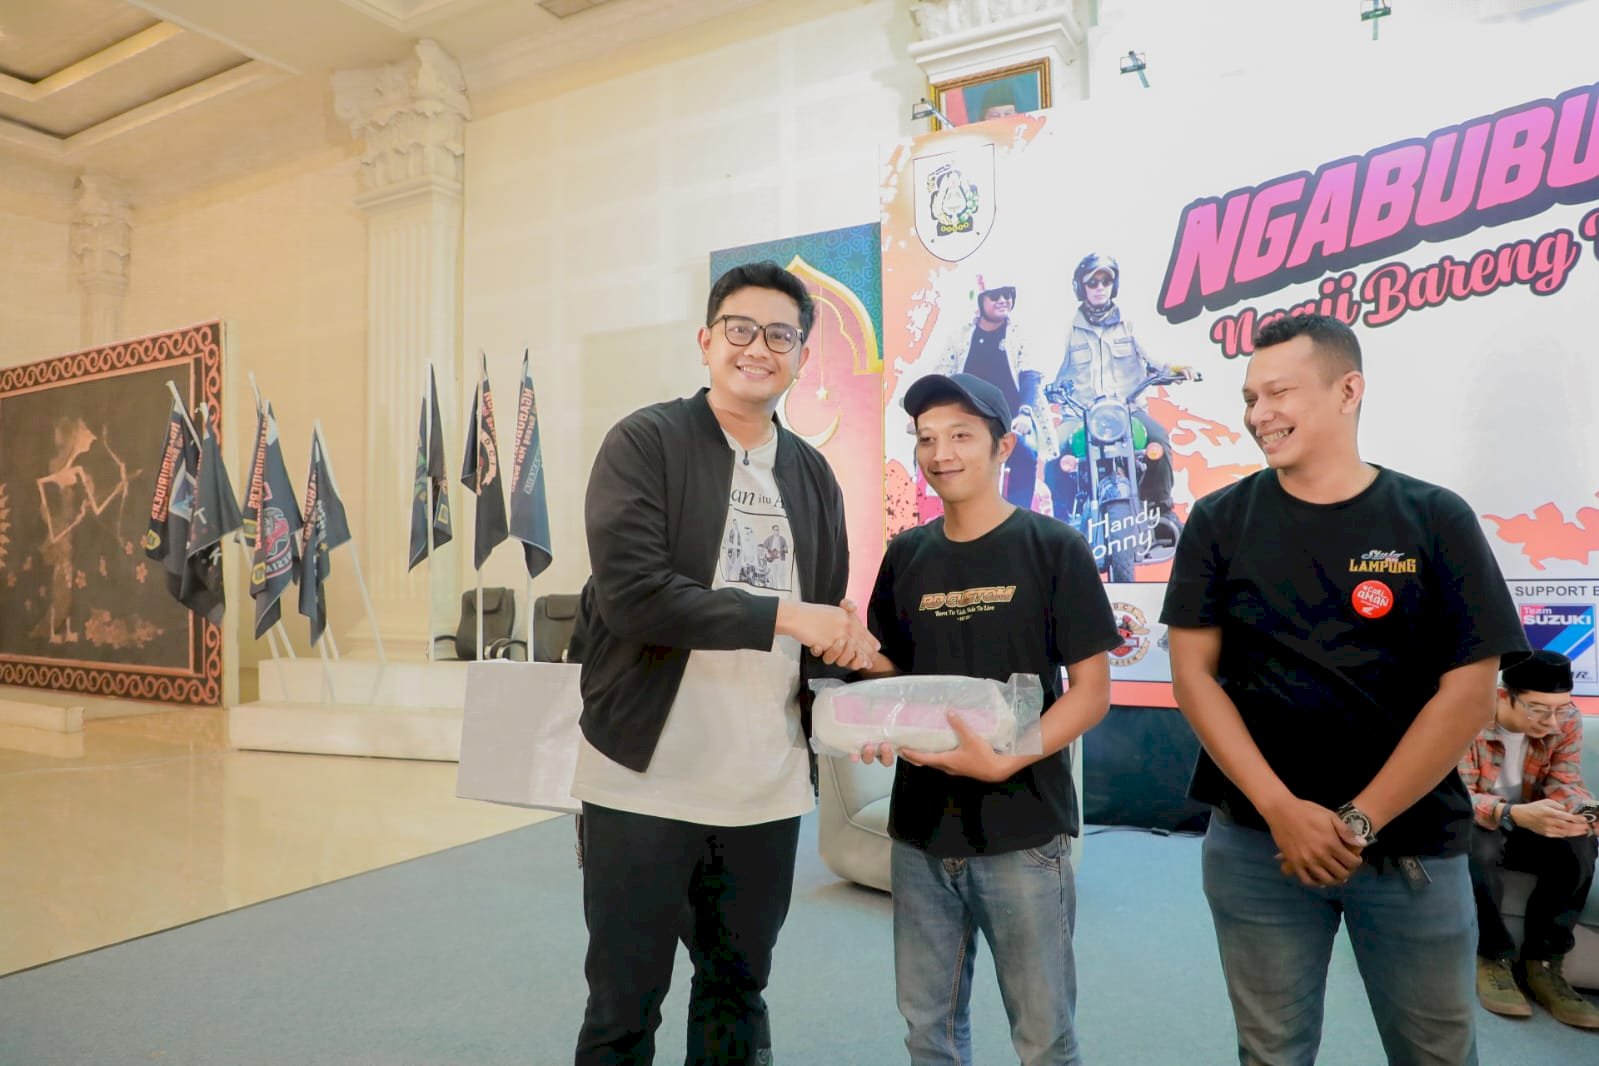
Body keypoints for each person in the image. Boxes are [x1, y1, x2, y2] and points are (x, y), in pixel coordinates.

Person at [1160, 313, 1530, 1065]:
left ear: (1347, 390)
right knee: (1270, 1051)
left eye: (1280, 392)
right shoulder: (1219, 520)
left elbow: (1467, 691)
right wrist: (1279, 810)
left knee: (1434, 1051)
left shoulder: (1433, 518)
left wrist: (1358, 821)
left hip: (1410, 848)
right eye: (1250, 397)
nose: (1259, 414)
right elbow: (1193, 675)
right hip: (1256, 846)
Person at [571, 260, 877, 1065]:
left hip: (763, 786)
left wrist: (860, 696)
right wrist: (787, 615)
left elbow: (825, 622)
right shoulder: (645, 442)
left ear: (801, 356)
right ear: (706, 341)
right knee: (623, 1006)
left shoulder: (811, 473)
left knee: (736, 995)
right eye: (740, 329)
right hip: (642, 780)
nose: (758, 348)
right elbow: (634, 596)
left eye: (780, 335)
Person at [858, 371, 1120, 1064]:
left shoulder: (1052, 547)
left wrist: (1008, 758)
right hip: (920, 832)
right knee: (928, 1032)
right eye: (926, 439)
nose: (941, 453)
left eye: (960, 436)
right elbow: (891, 674)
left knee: (1043, 1037)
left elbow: (1091, 692)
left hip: (1022, 830)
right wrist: (860, 696)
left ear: (1003, 446)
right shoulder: (905, 555)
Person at [1460, 649, 1599, 1029]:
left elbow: (1565, 780)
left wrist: (1584, 811)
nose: (1552, 721)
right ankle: (1492, 957)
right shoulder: (1467, 717)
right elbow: (1457, 797)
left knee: (1579, 843)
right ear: (1504, 696)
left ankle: (1543, 964)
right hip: (1480, 822)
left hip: (1530, 823)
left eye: (1560, 709)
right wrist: (1511, 813)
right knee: (1478, 843)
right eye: (1538, 710)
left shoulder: (1565, 718)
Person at [1047, 253, 1187, 525]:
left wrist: (1174, 368)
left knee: (1159, 439)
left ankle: (1161, 509)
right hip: (1080, 416)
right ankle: (1061, 522)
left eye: (1106, 281)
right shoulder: (1067, 328)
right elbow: (1048, 362)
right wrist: (1043, 384)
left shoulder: (1131, 323)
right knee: (1054, 452)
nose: (1100, 287)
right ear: (1081, 287)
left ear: (1115, 285)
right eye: (1092, 282)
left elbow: (1155, 354)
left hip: (1128, 411)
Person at [924, 275, 1043, 509]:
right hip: (966, 424)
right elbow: (940, 377)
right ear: (980, 300)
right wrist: (923, 412)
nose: (1003, 300)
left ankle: (1018, 519)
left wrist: (1025, 414)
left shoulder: (1019, 334)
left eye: (1007, 294)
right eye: (995, 295)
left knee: (1026, 455)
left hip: (1009, 423)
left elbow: (1030, 376)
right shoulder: (961, 336)